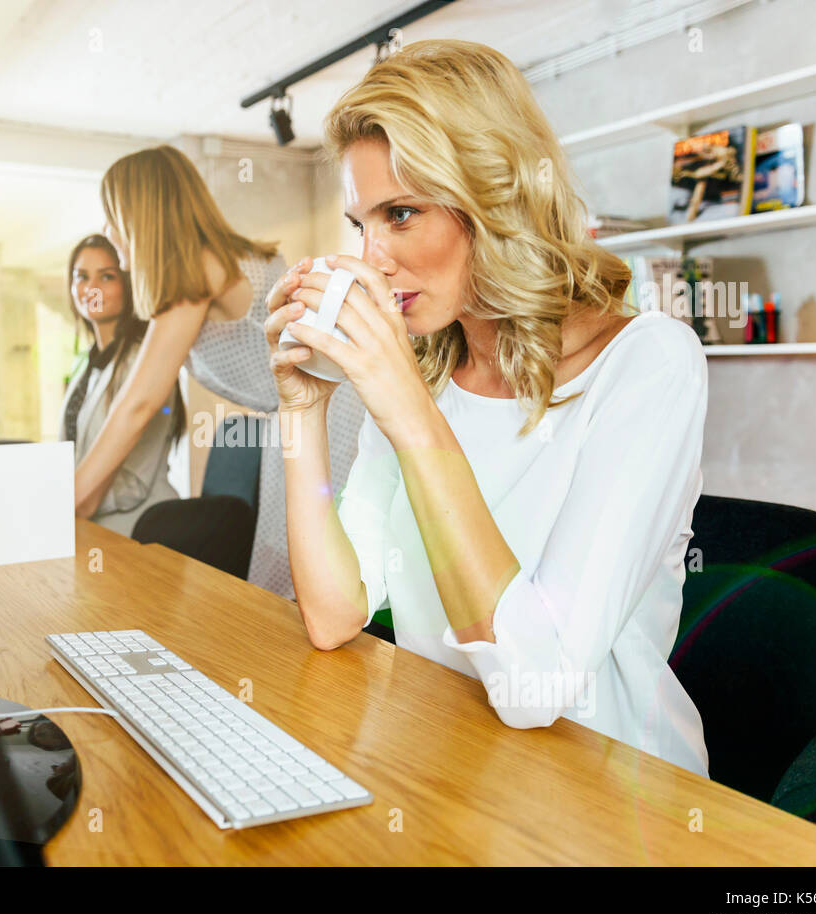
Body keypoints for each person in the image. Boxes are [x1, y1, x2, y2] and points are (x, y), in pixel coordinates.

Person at [264, 39, 709, 777]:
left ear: (494, 199)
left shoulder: (650, 363)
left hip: (607, 795)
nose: (371, 257)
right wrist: (303, 413)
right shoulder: (429, 376)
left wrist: (411, 415)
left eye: (400, 213)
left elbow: (538, 687)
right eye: (360, 225)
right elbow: (334, 613)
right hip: (453, 762)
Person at [76, 144, 365, 597]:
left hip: (332, 412)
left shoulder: (197, 268)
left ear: (141, 214)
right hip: (305, 411)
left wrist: (74, 501)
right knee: (302, 576)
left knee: (317, 577)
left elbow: (139, 403)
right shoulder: (210, 262)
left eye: (112, 213)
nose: (106, 228)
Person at [60, 234, 184, 537]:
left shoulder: (144, 362)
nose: (91, 288)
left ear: (128, 284)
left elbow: (133, 484)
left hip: (138, 533)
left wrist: (69, 503)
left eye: (107, 276)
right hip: (87, 527)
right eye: (82, 277)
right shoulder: (88, 366)